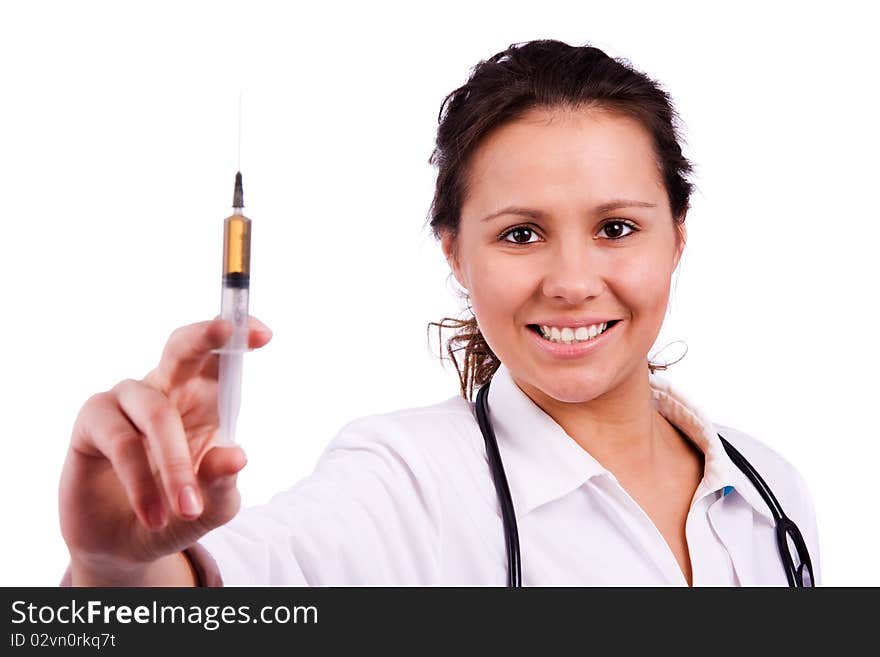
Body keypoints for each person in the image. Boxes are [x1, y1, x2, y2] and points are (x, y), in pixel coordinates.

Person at [59, 39, 820, 587]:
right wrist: (113, 565)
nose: (572, 280)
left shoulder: (770, 495)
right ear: (455, 253)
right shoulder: (402, 486)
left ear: (678, 235)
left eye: (615, 228)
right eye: (521, 234)